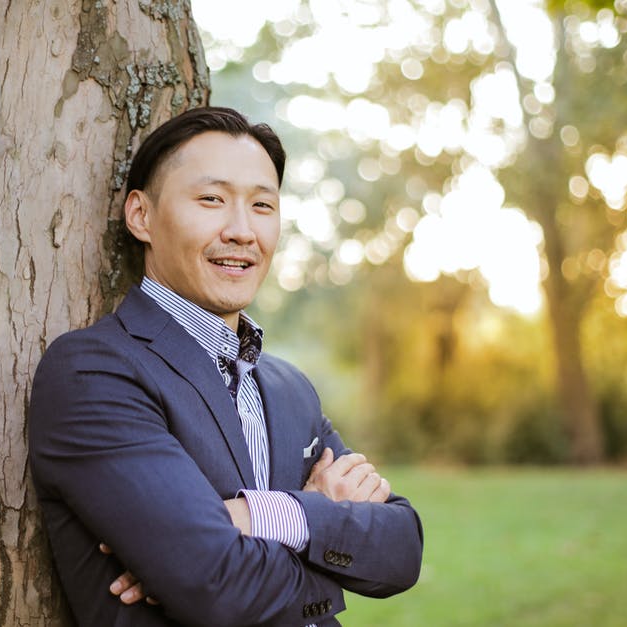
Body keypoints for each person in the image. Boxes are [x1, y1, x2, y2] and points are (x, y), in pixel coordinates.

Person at [27, 107, 423, 626]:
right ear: (141, 216)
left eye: (262, 205)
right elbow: (216, 586)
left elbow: (402, 549)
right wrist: (318, 520)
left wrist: (262, 515)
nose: (241, 231)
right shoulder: (93, 371)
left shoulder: (289, 388)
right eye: (211, 200)